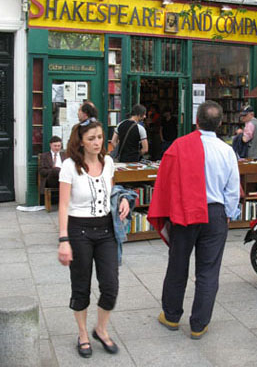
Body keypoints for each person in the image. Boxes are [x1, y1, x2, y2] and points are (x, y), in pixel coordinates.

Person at [148, 100, 240, 340]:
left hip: (185, 213)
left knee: (178, 265)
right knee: (208, 271)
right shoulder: (227, 150)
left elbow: (165, 183)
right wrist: (227, 215)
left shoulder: (179, 146)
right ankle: (199, 325)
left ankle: (171, 315)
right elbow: (232, 190)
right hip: (215, 213)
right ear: (220, 124)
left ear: (196, 120)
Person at [58, 118, 130, 358]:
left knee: (110, 285)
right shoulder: (69, 166)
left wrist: (121, 201)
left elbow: (112, 192)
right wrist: (63, 240)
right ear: (81, 142)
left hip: (106, 230)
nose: (97, 142)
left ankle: (100, 329)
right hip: (79, 231)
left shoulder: (108, 162)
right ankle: (83, 334)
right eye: (91, 138)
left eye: (100, 137)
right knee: (81, 287)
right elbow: (64, 205)